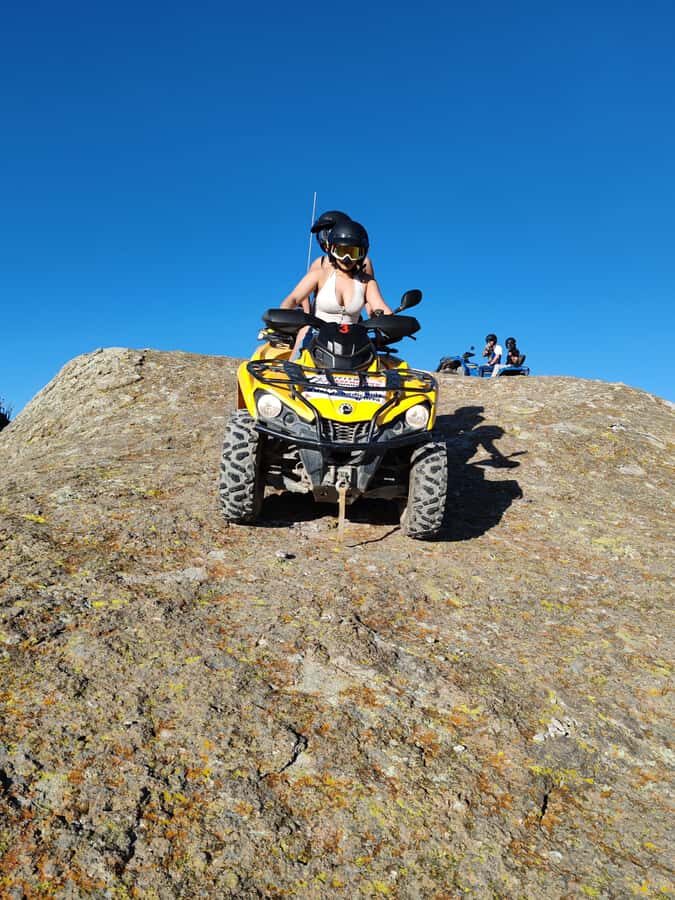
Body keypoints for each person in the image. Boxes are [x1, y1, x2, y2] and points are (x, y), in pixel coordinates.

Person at [281, 219, 391, 325]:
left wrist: (392, 321)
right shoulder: (319, 275)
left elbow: (380, 306)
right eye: (341, 251)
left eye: (353, 253)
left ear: (362, 254)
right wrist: (281, 316)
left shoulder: (367, 282)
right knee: (302, 341)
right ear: (332, 250)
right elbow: (293, 298)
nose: (346, 258)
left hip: (354, 341)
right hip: (316, 339)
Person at [309, 210, 375, 278]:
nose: (323, 241)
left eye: (325, 234)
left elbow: (369, 284)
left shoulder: (364, 262)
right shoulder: (319, 264)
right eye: (319, 236)